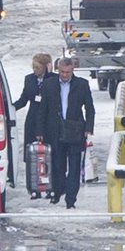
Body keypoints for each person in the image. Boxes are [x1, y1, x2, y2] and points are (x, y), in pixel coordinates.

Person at [39, 57, 95, 209]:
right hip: (55, 130)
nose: (64, 75)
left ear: (73, 70)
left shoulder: (82, 85)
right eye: (62, 72)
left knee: (75, 166)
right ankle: (58, 191)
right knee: (58, 164)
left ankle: (71, 199)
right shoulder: (49, 85)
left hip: (75, 130)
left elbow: (90, 108)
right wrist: (40, 131)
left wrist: (88, 128)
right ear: (58, 70)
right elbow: (43, 109)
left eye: (67, 72)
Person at [12, 52, 56, 198]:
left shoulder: (54, 79)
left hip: (49, 121)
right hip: (33, 120)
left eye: (37, 67)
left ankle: (51, 187)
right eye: (33, 67)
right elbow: (24, 99)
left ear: (45, 67)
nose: (34, 70)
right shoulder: (29, 79)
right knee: (31, 156)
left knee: (50, 155)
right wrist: (10, 109)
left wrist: (49, 74)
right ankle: (33, 188)